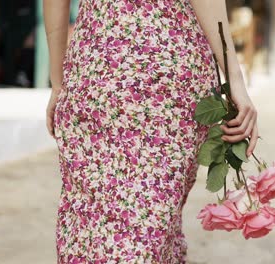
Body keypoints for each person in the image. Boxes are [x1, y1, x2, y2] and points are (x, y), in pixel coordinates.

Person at [43, 0, 259, 262]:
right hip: (169, 65)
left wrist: (57, 82)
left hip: (97, 65)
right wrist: (234, 77)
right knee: (152, 225)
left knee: (96, 228)